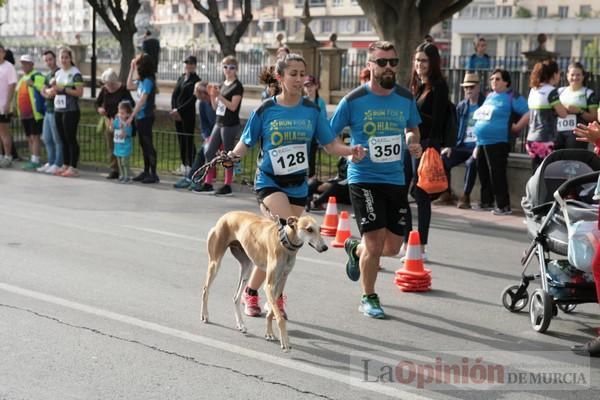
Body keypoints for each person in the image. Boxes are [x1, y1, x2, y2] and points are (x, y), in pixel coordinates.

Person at [228, 53, 365, 319]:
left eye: (302, 74)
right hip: (269, 182)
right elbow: (245, 142)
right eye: (293, 74)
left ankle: (255, 292)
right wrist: (230, 158)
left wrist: (350, 151)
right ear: (279, 78)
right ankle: (274, 297)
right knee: (284, 233)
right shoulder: (266, 109)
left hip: (298, 186)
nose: (299, 79)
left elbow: (329, 144)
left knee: (286, 246)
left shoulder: (312, 110)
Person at [330, 40, 422, 319]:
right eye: (382, 62)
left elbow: (413, 129)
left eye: (393, 62)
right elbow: (329, 138)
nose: (388, 67)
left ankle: (353, 248)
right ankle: (368, 296)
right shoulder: (353, 100)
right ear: (369, 66)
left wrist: (412, 141)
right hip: (364, 178)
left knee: (392, 248)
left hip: (395, 179)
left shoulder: (405, 98)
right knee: (374, 245)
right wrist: (348, 152)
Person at [401, 42, 450, 260]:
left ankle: (421, 246)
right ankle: (406, 241)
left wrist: (414, 119)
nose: (419, 64)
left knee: (421, 194)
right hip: (408, 142)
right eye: (417, 60)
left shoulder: (438, 86)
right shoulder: (415, 85)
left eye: (424, 60)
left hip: (426, 145)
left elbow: (438, 121)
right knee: (400, 191)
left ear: (432, 63)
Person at [473, 69, 529, 215]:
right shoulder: (490, 96)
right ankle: (486, 201)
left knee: (497, 173)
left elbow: (529, 112)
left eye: (497, 79)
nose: (494, 81)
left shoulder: (512, 96)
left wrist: (517, 127)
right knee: (483, 172)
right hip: (482, 141)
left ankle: (503, 205)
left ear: (506, 82)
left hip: (499, 141)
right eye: (492, 79)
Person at [195, 56, 244, 196]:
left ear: (236, 69)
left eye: (231, 67)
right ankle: (208, 182)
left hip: (230, 124)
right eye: (225, 67)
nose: (228, 70)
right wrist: (212, 95)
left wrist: (220, 96)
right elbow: (217, 107)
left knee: (228, 155)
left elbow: (233, 107)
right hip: (219, 122)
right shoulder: (223, 84)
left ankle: (227, 185)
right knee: (209, 152)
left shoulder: (237, 86)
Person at [435, 72, 483, 209]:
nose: (468, 90)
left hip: (477, 145)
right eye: (466, 87)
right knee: (443, 158)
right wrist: (449, 145)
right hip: (461, 144)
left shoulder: (484, 104)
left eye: (472, 87)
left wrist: (479, 145)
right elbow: (453, 127)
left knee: (471, 163)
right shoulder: (462, 106)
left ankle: (465, 196)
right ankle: (446, 193)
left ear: (478, 87)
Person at [526, 60, 568, 171]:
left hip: (531, 139)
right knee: (546, 174)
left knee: (535, 172)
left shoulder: (533, 90)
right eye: (559, 73)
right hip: (546, 140)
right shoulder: (551, 91)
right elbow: (563, 114)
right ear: (554, 74)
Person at [174, 81, 217, 190]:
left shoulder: (214, 102)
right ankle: (191, 178)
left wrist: (213, 137)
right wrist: (207, 137)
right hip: (210, 137)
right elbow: (204, 124)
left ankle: (198, 179)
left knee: (206, 154)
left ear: (203, 93)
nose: (195, 94)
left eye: (196, 92)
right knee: (201, 153)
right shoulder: (202, 104)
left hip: (219, 134)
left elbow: (219, 121)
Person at [96, 68, 135, 179]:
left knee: (123, 145)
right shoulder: (104, 89)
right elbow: (97, 103)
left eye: (111, 84)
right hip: (109, 121)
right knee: (111, 145)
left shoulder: (122, 89)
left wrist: (123, 114)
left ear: (114, 81)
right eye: (107, 84)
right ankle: (114, 169)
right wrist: (99, 109)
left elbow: (131, 103)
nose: (109, 87)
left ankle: (124, 169)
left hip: (122, 122)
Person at [51, 48, 84, 177]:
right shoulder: (58, 73)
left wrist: (64, 89)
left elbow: (79, 93)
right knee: (62, 138)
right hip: (58, 109)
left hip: (71, 110)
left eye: (66, 57)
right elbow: (56, 91)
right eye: (62, 57)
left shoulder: (76, 73)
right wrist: (51, 90)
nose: (64, 60)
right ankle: (65, 164)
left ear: (71, 58)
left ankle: (73, 166)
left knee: (70, 138)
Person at [127, 54, 159, 184]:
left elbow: (142, 101)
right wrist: (131, 68)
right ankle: (146, 171)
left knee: (148, 144)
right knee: (143, 145)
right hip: (140, 117)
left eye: (138, 64)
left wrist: (131, 116)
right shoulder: (141, 80)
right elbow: (129, 86)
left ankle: (153, 173)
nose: (137, 66)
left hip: (145, 116)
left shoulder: (148, 81)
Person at [555, 62, 598, 151]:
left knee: (574, 161)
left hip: (577, 135)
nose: (575, 77)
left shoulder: (588, 93)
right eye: (572, 75)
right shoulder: (559, 92)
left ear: (583, 76)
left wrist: (579, 111)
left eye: (578, 75)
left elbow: (594, 117)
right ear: (567, 75)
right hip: (558, 133)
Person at [170, 55, 201, 176]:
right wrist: (174, 109)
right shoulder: (181, 78)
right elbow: (175, 95)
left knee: (188, 140)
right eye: (187, 63)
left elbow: (192, 99)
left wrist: (179, 110)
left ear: (194, 66)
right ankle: (184, 164)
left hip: (187, 115)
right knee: (181, 140)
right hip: (177, 114)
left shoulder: (196, 80)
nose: (188, 66)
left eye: (191, 64)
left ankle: (191, 165)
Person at [14, 54, 46, 170]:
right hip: (24, 113)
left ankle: (36, 160)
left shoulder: (37, 75)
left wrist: (32, 84)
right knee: (29, 137)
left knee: (35, 136)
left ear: (32, 64)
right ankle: (32, 158)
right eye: (22, 63)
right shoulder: (22, 78)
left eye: (26, 63)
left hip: (34, 113)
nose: (24, 66)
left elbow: (43, 89)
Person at [37, 50, 63, 175]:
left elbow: (53, 92)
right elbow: (43, 91)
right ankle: (51, 161)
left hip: (55, 110)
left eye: (50, 59)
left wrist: (47, 92)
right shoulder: (47, 75)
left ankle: (58, 163)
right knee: (47, 138)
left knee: (57, 138)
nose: (48, 62)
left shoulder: (59, 73)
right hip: (48, 110)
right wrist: (47, 92)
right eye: (46, 60)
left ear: (55, 59)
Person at [0, 43, 18, 168]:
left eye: (1, 51)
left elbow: (12, 85)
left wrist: (8, 103)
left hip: (3, 106)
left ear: (4, 53)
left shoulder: (9, 67)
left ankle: (8, 156)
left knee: (4, 132)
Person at [109, 101, 135, 183]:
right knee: (119, 162)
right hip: (118, 146)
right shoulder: (117, 120)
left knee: (124, 162)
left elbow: (127, 134)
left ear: (128, 114)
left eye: (122, 113)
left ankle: (127, 176)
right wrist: (112, 125)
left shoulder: (128, 123)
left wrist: (123, 129)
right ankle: (122, 175)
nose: (120, 115)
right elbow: (112, 129)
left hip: (125, 147)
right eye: (119, 112)